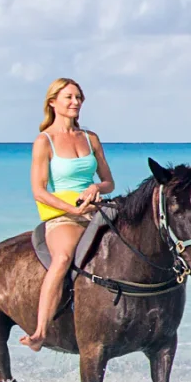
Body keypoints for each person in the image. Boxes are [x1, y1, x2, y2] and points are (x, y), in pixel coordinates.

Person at [23, 77, 115, 351]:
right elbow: (39, 191)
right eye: (69, 98)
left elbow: (109, 181)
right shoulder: (44, 141)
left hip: (96, 210)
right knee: (62, 258)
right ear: (53, 103)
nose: (76, 102)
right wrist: (72, 208)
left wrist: (96, 187)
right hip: (63, 216)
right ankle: (40, 331)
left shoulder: (90, 138)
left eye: (79, 98)